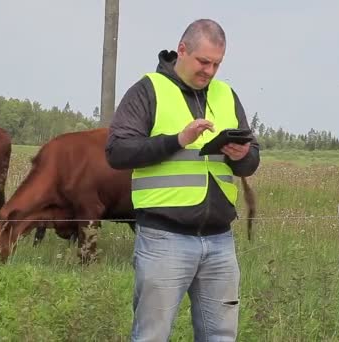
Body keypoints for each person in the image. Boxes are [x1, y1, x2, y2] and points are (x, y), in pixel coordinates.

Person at [105, 18, 260, 342]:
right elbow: (117, 152)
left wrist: (239, 154)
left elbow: (250, 162)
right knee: (151, 336)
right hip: (164, 239)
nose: (210, 71)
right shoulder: (148, 90)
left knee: (221, 337)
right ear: (182, 50)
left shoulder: (226, 95)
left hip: (219, 241)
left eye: (217, 64)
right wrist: (177, 139)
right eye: (204, 62)